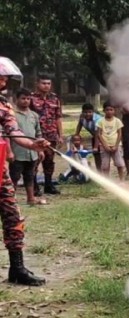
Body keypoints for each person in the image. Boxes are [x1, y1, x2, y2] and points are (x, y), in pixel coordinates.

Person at [0, 64, 50, 286]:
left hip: (0, 172)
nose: (3, 81)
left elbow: (15, 133)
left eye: (5, 78)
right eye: (0, 78)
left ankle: (17, 269)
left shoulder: (4, 106)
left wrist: (33, 144)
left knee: (13, 216)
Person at [8, 88, 45, 205]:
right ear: (16, 99)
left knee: (30, 175)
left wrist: (40, 150)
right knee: (14, 176)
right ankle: (10, 200)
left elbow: (38, 133)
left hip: (32, 153)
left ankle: (31, 198)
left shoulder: (34, 115)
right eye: (23, 98)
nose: (26, 101)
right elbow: (7, 135)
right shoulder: (11, 115)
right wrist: (10, 151)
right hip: (17, 152)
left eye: (28, 99)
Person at [30, 74, 63, 195]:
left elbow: (58, 117)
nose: (46, 86)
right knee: (35, 160)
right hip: (36, 135)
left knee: (49, 161)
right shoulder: (31, 98)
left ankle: (48, 186)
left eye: (48, 83)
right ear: (37, 84)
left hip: (51, 134)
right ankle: (34, 187)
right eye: (43, 83)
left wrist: (60, 135)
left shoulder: (55, 98)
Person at [96, 102, 125, 181]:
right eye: (107, 110)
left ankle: (121, 180)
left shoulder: (117, 121)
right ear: (104, 111)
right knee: (105, 165)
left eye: (111, 109)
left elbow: (119, 134)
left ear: (114, 111)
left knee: (119, 164)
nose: (109, 111)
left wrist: (116, 145)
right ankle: (107, 181)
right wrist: (105, 146)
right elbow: (99, 134)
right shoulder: (100, 121)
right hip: (104, 146)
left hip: (116, 145)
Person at [74, 103, 103, 170]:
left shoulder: (97, 119)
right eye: (85, 112)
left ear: (93, 112)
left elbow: (97, 134)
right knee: (96, 155)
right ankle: (99, 172)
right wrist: (76, 136)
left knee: (101, 154)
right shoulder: (82, 117)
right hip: (95, 136)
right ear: (82, 112)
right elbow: (79, 125)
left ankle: (104, 173)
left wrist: (96, 147)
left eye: (90, 112)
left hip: (104, 136)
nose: (87, 114)